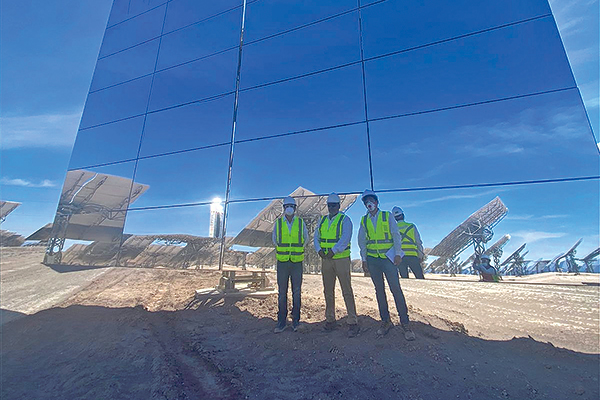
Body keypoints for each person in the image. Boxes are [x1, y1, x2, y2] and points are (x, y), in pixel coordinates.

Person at [358, 190, 416, 341]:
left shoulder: (386, 216)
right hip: (373, 260)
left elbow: (395, 234)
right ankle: (385, 321)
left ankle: (405, 323)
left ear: (376, 202)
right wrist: (364, 259)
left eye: (371, 200)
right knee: (379, 291)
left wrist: (398, 253)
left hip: (388, 259)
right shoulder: (364, 220)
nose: (368, 203)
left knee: (396, 289)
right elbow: (362, 241)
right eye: (366, 202)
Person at [314, 193, 359, 337]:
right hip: (326, 259)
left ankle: (352, 321)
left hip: (341, 259)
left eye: (334, 205)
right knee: (328, 290)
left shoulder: (345, 220)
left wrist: (333, 251)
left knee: (346, 290)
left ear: (339, 206)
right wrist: (319, 250)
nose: (331, 207)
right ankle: (330, 319)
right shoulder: (321, 221)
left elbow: (345, 238)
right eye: (329, 205)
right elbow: (316, 237)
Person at [272, 196, 308, 333]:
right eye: (287, 206)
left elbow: (305, 239)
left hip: (297, 263)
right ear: (283, 208)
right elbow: (274, 239)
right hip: (282, 262)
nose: (289, 208)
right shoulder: (278, 223)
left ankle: (296, 321)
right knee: (282, 293)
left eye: (291, 206)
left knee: (296, 292)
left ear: (295, 208)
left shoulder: (300, 223)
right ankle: (281, 321)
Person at [392, 206, 425, 279]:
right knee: (420, 278)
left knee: (405, 280)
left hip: (400, 257)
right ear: (403, 215)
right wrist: (420, 255)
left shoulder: (393, 229)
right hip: (413, 256)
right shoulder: (411, 226)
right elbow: (418, 242)